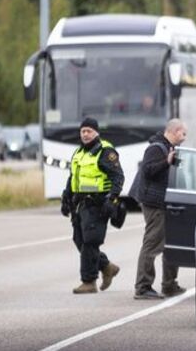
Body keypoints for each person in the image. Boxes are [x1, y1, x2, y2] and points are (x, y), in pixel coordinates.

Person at [61, 117, 124, 294]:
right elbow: (73, 177)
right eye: (83, 131)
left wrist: (112, 199)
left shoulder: (105, 151)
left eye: (89, 131)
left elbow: (118, 177)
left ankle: (89, 281)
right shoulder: (79, 153)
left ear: (96, 132)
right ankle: (107, 267)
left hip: (98, 204)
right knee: (79, 240)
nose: (86, 134)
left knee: (90, 242)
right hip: (80, 204)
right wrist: (66, 197)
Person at [131, 118, 188, 299]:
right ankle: (143, 287)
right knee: (153, 243)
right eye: (183, 133)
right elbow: (148, 170)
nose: (184, 138)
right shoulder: (156, 148)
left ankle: (169, 284)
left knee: (171, 243)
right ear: (174, 131)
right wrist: (166, 162)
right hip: (154, 203)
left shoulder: (169, 149)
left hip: (167, 202)